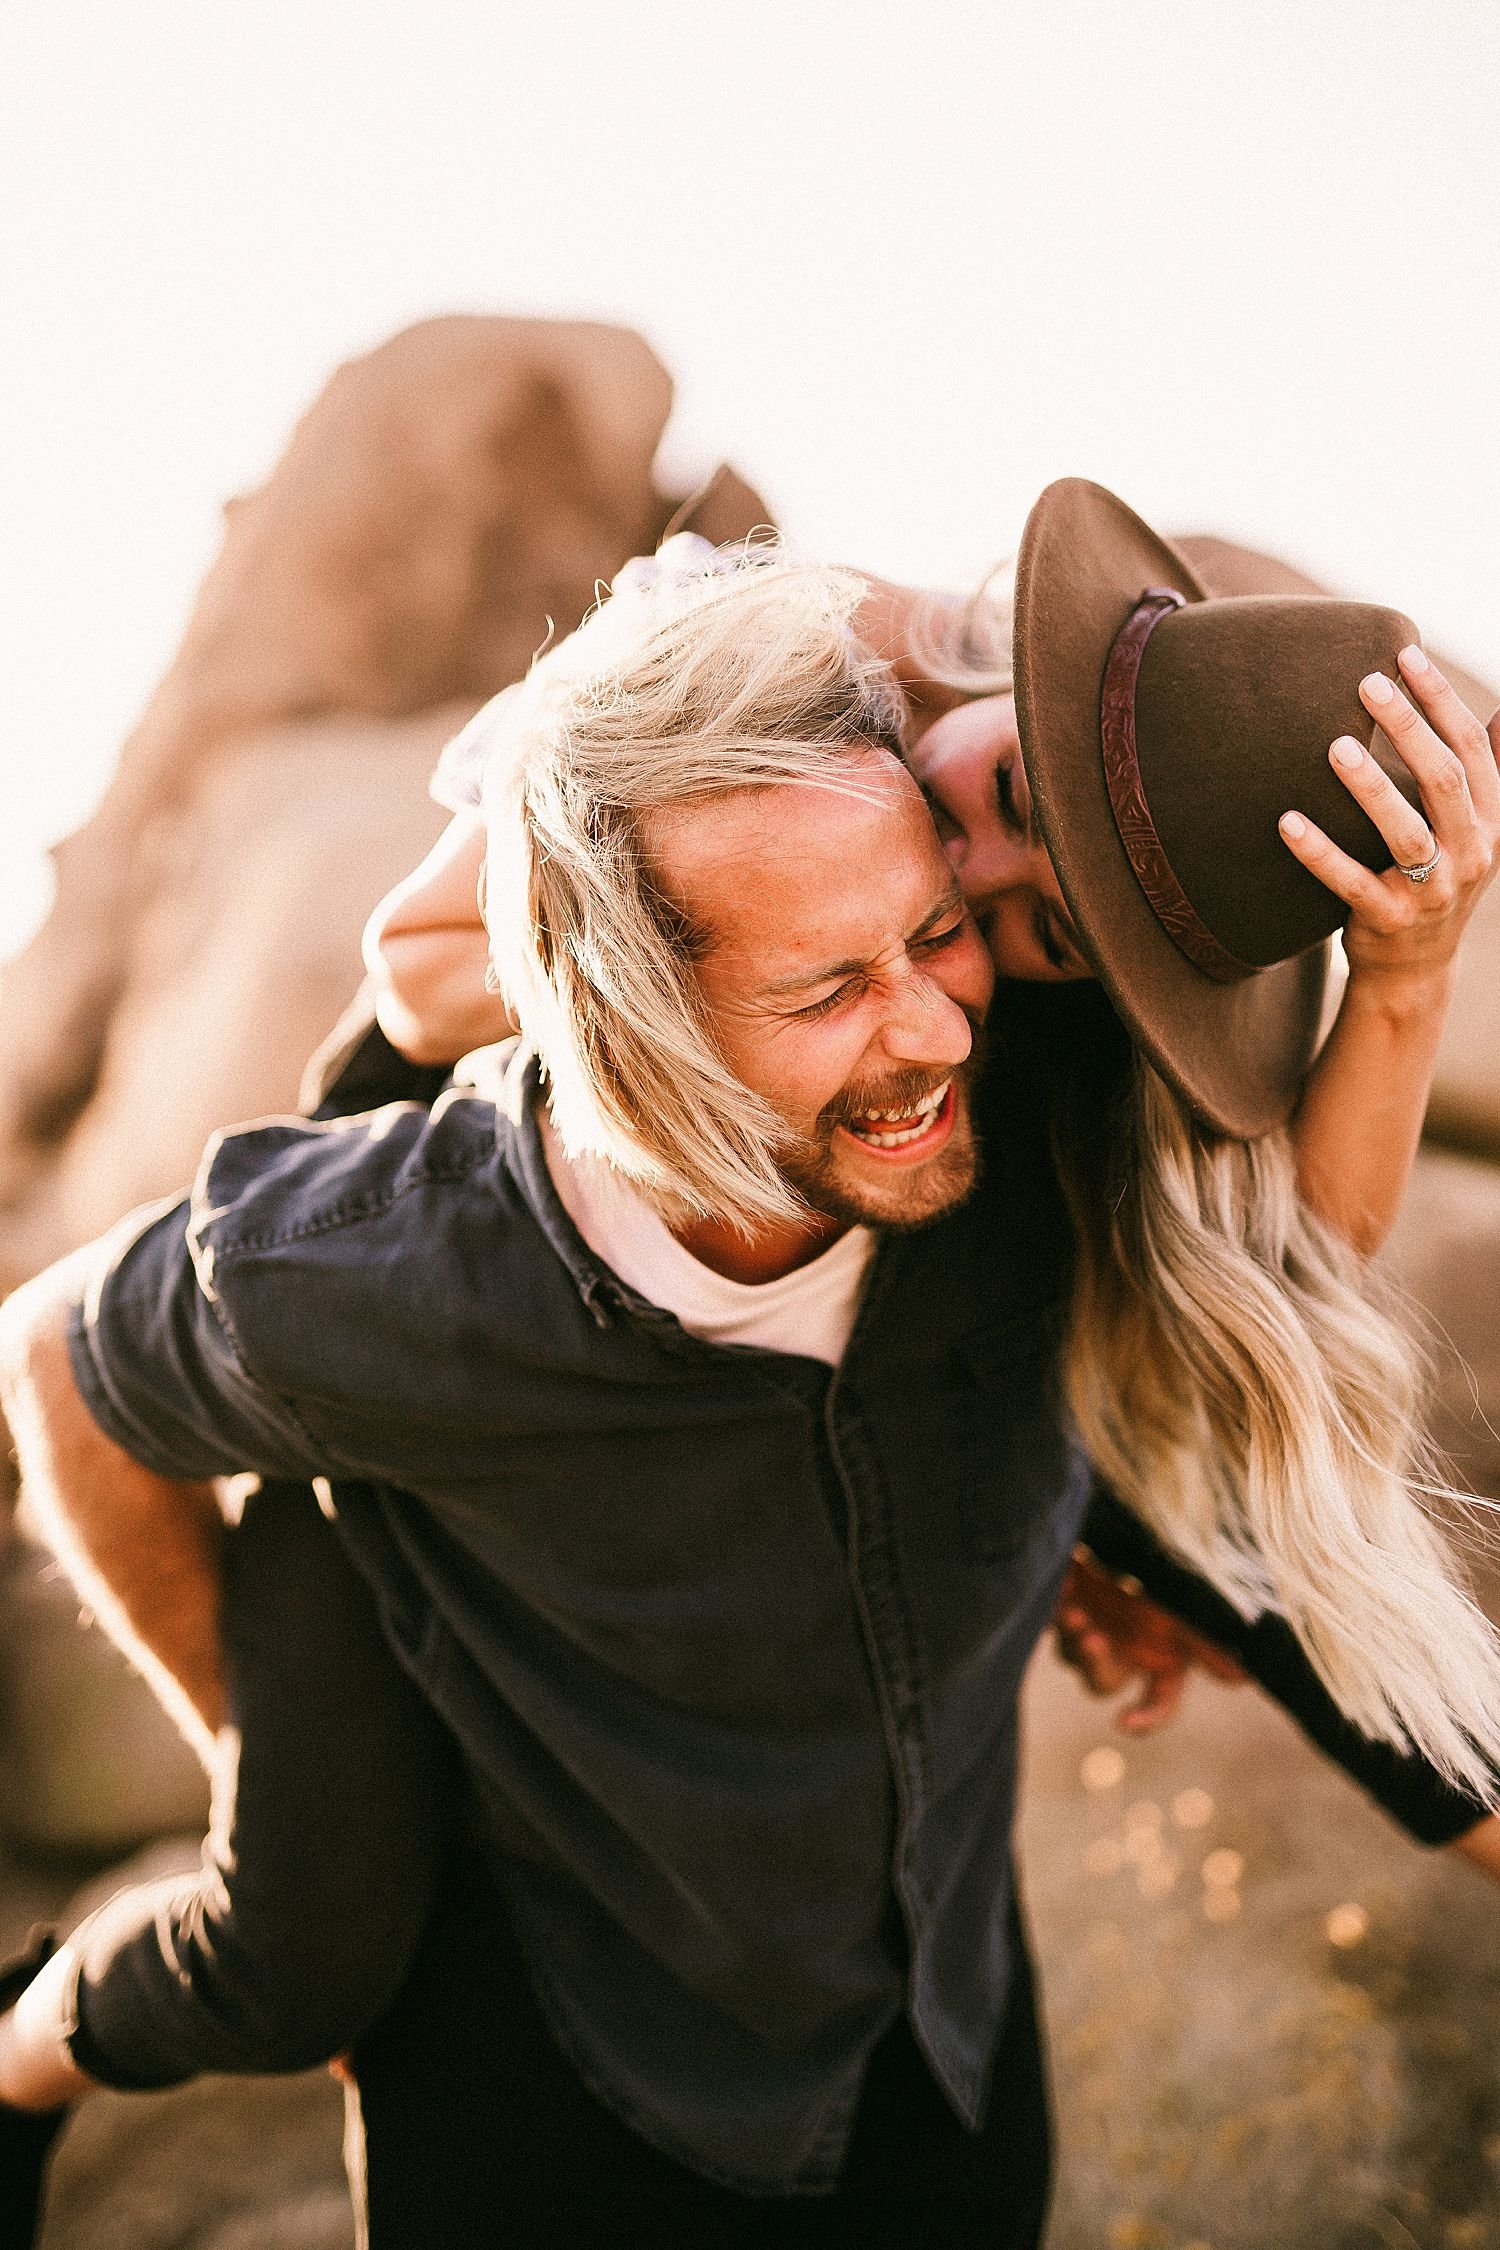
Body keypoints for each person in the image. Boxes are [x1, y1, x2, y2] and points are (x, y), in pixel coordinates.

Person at [2, 493, 1499, 2248]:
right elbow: (410, 992)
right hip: (456, 1347)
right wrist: (244, 1726)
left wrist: (1399, 979)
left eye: (1014, 936)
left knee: (1227, 1538)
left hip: (916, 1990)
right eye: (1006, 810)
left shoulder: (1030, 1071)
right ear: (1009, 668)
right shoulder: (803, 663)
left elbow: (1276, 1287)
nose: (979, 921)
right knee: (306, 1942)